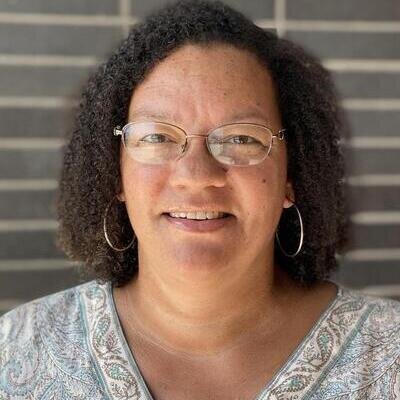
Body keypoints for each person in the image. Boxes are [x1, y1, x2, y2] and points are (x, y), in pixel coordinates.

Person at [1, 0, 399, 398]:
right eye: (157, 136)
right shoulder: (15, 352)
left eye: (241, 138)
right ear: (115, 171)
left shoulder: (389, 356)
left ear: (291, 175)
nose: (196, 175)